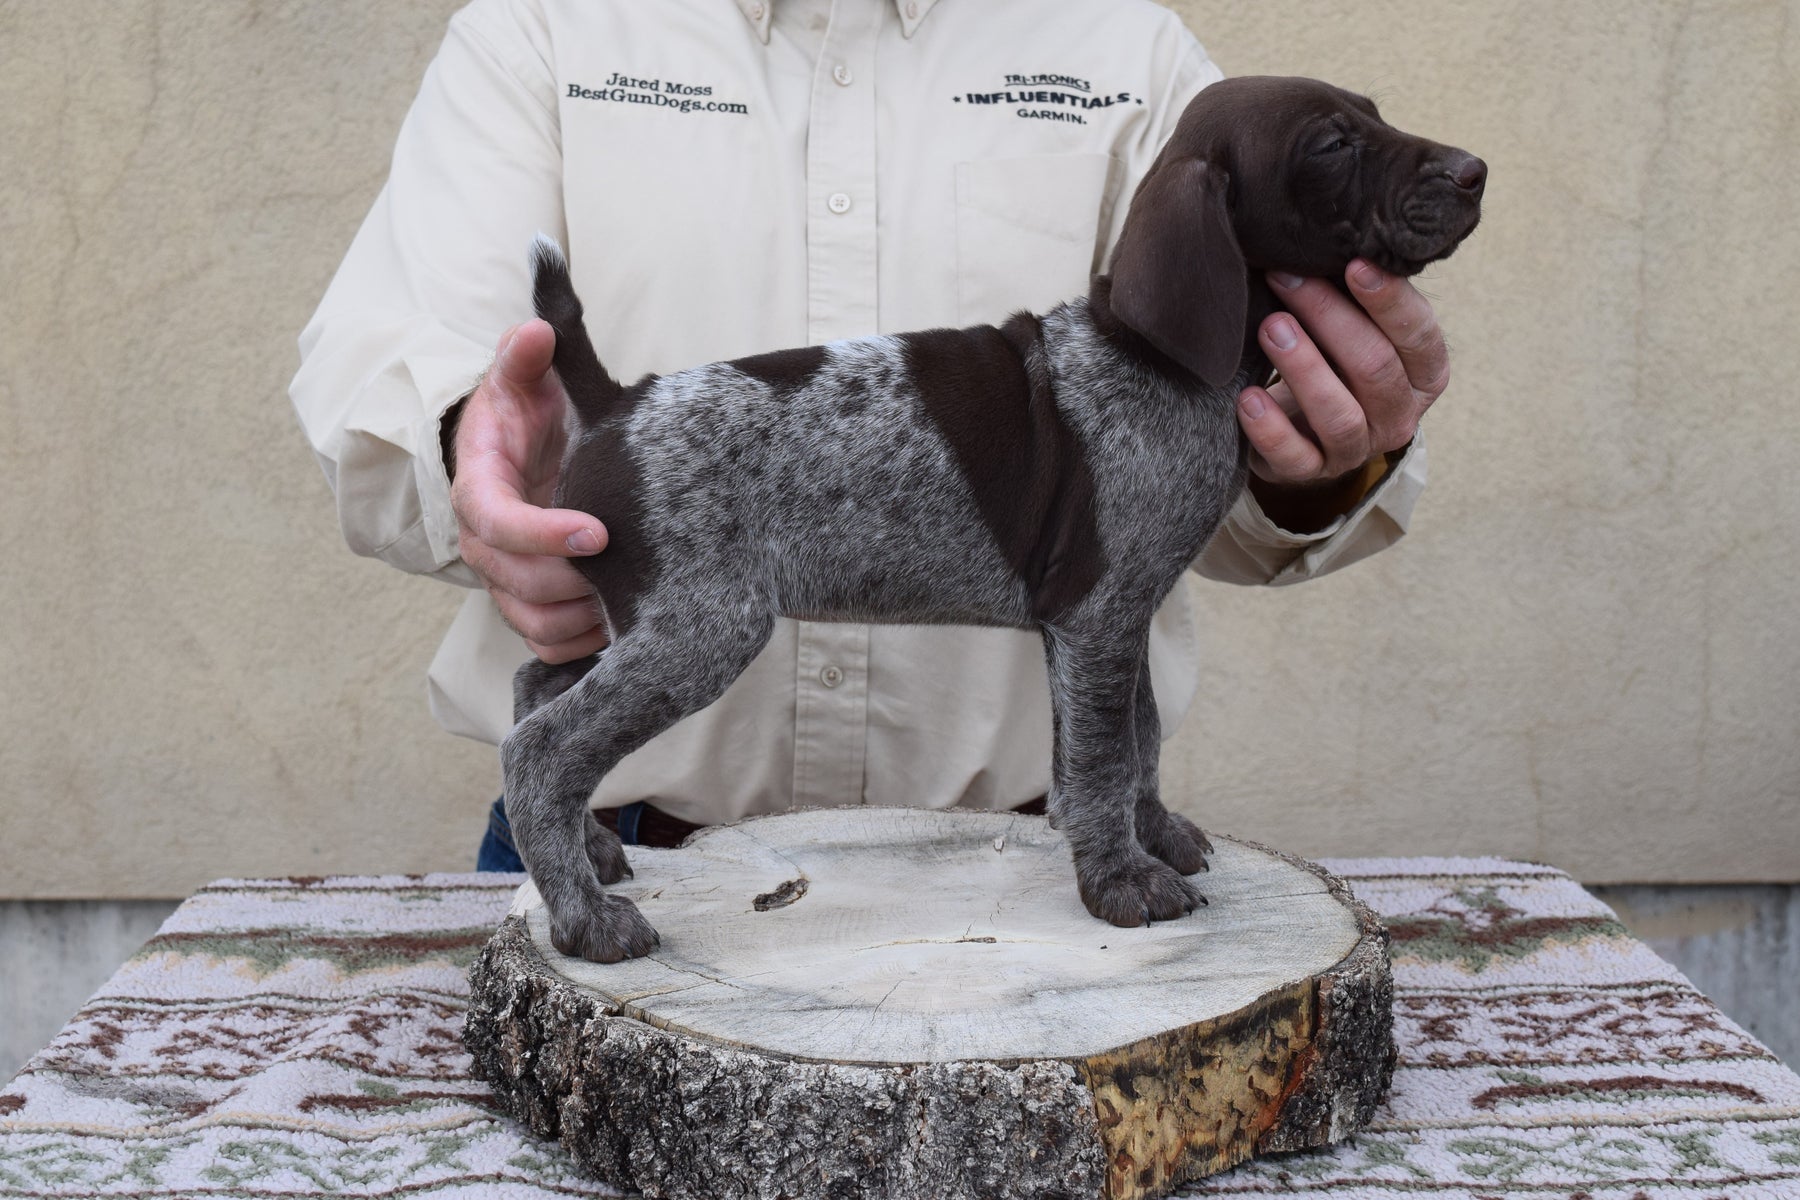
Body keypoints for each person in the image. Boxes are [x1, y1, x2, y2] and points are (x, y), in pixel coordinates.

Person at [290, 0, 1446, 869]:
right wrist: (475, 448)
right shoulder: (542, 29)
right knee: (697, 637)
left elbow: (1190, 518)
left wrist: (1313, 457)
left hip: (1004, 863)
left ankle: (1115, 816)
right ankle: (554, 770)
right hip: (643, 851)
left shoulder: (1124, 44)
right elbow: (377, 372)